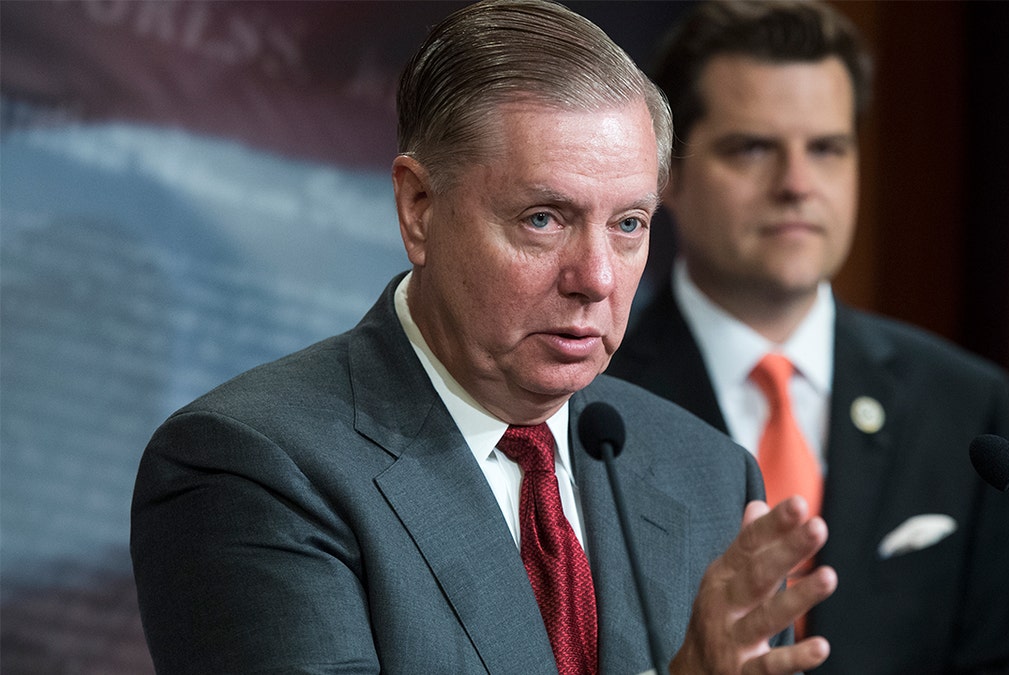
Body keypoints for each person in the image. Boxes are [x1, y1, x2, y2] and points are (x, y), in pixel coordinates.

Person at [130, 1, 838, 673]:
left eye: (629, 224)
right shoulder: (253, 467)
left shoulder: (711, 476)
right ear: (418, 208)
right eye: (543, 218)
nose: (595, 278)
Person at [607, 1, 1009, 673]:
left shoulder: (966, 408)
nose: (797, 184)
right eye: (753, 148)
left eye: (826, 148)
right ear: (665, 175)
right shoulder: (594, 399)